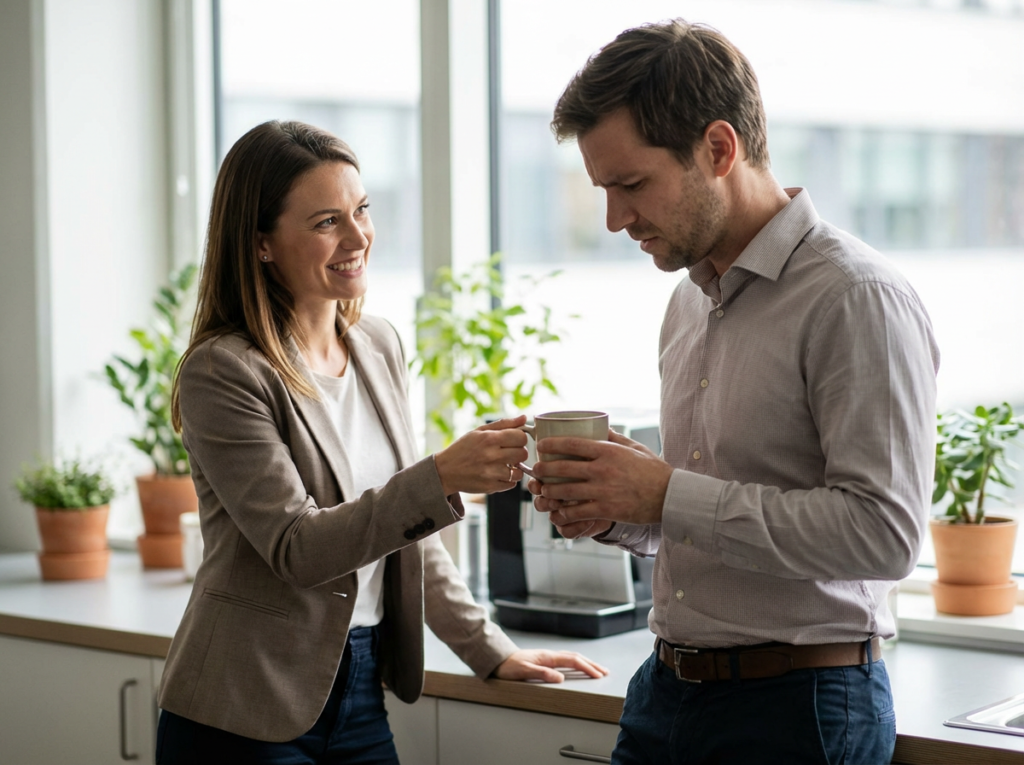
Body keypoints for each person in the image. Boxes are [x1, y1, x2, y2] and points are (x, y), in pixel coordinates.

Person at [527, 19, 940, 765]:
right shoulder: (688, 300)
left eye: (631, 185)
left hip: (801, 710)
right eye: (604, 191)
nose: (616, 220)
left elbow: (885, 533)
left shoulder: (856, 297)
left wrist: (664, 495)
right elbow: (693, 523)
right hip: (663, 690)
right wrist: (617, 507)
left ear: (719, 148)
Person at [157, 120, 607, 764]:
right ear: (261, 243)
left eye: (361, 209)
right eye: (325, 222)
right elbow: (298, 549)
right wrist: (442, 475)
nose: (358, 236)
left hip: (361, 691)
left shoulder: (378, 346)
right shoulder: (225, 371)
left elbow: (409, 536)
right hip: (243, 706)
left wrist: (491, 650)